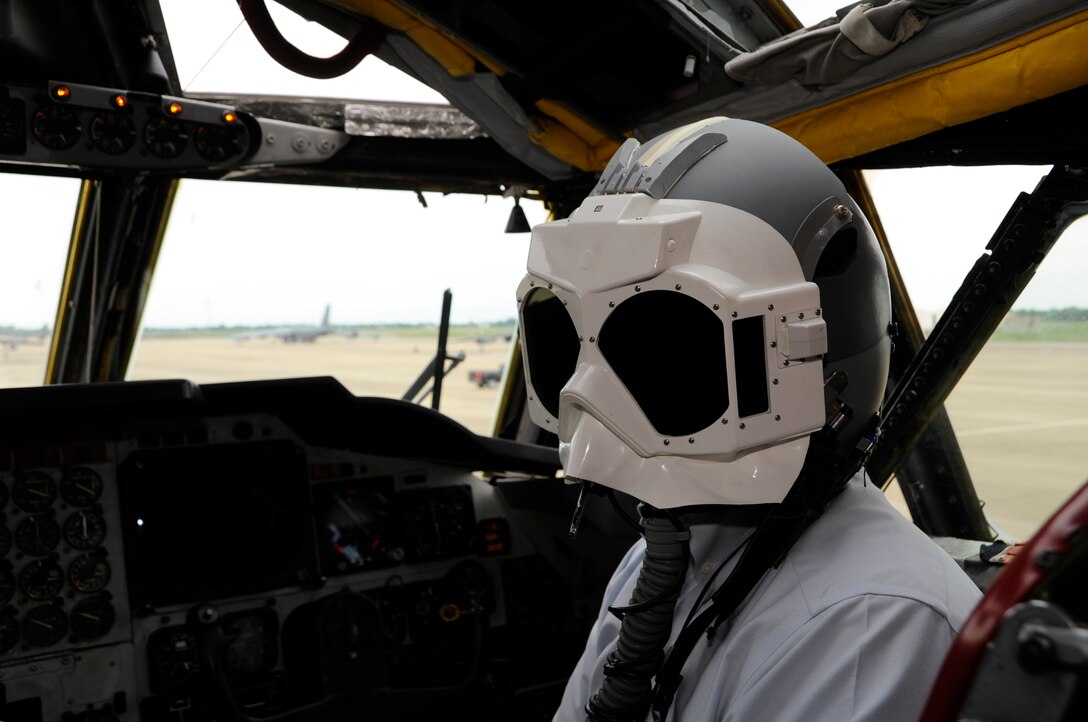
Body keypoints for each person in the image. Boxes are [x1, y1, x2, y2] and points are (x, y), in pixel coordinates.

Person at [514, 117, 982, 721]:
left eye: (667, 350)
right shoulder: (670, 553)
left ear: (816, 365)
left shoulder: (876, 626)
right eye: (569, 340)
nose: (591, 404)